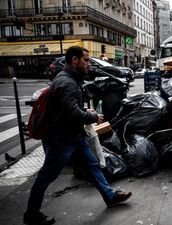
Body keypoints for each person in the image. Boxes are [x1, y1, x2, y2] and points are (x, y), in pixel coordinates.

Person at [23, 46, 132, 225]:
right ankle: (31, 214)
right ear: (75, 60)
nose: (88, 64)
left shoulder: (69, 79)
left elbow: (68, 108)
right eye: (86, 60)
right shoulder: (66, 83)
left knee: (92, 165)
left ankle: (110, 196)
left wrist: (83, 109)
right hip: (61, 139)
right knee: (46, 176)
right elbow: (72, 114)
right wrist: (93, 115)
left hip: (73, 135)